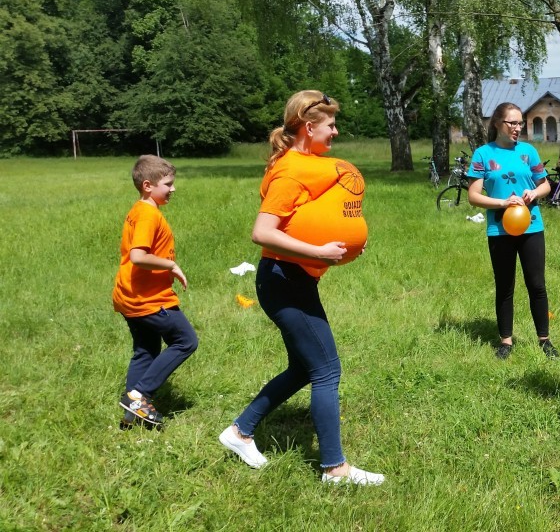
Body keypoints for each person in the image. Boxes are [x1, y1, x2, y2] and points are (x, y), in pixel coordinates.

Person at [218, 90, 384, 486]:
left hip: (294, 278)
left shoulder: (307, 164)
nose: (336, 131)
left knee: (303, 368)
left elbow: (312, 216)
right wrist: (319, 251)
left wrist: (345, 242)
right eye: (331, 125)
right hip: (283, 280)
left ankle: (240, 432)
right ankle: (335, 468)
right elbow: (262, 232)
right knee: (326, 370)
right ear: (309, 127)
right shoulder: (291, 171)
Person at [113, 155, 199, 427]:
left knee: (146, 350)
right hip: (148, 300)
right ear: (147, 186)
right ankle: (140, 395)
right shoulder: (149, 215)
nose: (173, 188)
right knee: (186, 341)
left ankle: (131, 415)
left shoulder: (139, 209)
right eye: (168, 184)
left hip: (130, 296)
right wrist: (170, 264)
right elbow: (138, 256)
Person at [467, 102, 557, 360]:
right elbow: (473, 196)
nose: (518, 128)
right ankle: (505, 342)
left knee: (537, 284)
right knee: (505, 286)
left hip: (532, 226)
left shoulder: (528, 151)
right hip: (499, 229)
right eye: (513, 123)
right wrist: (503, 203)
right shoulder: (483, 154)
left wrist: (533, 193)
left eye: (520, 123)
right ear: (498, 123)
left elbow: (546, 186)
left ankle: (544, 340)